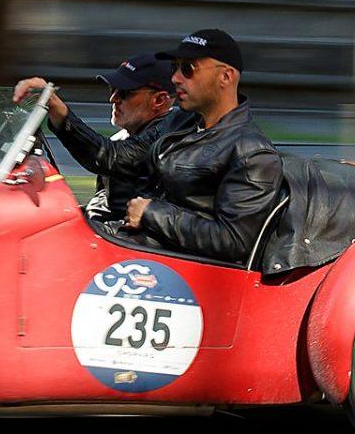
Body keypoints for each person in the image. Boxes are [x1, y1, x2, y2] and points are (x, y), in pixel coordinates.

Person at [17, 28, 283, 264]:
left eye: (188, 69)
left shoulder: (251, 152)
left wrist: (152, 212)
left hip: (174, 272)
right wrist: (56, 109)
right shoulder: (180, 122)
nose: (176, 78)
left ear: (225, 77)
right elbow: (114, 158)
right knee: (33, 233)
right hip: (135, 248)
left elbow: (234, 242)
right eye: (176, 68)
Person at [18, 54, 188, 222]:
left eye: (124, 93)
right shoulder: (126, 135)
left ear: (158, 100)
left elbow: (108, 157)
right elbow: (103, 202)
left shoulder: (170, 135)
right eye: (113, 89)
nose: (113, 98)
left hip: (129, 241)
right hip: (104, 233)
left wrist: (57, 108)